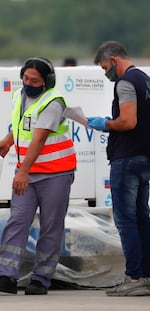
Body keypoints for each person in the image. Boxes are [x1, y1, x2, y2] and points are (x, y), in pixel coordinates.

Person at [0, 57, 76, 295]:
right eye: (25, 78)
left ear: (47, 82)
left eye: (34, 80)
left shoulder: (53, 102)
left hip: (55, 174)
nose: (28, 83)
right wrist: (7, 141)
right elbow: (20, 125)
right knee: (17, 221)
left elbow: (39, 138)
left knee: (50, 226)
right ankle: (6, 276)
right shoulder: (19, 96)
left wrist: (23, 171)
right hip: (28, 173)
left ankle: (41, 279)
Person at [87, 41, 150, 296]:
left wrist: (106, 123)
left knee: (126, 220)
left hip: (128, 159)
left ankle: (134, 278)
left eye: (104, 67)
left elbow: (128, 121)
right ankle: (145, 275)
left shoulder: (124, 83)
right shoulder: (144, 79)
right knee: (142, 219)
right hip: (144, 157)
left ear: (113, 60)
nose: (105, 73)